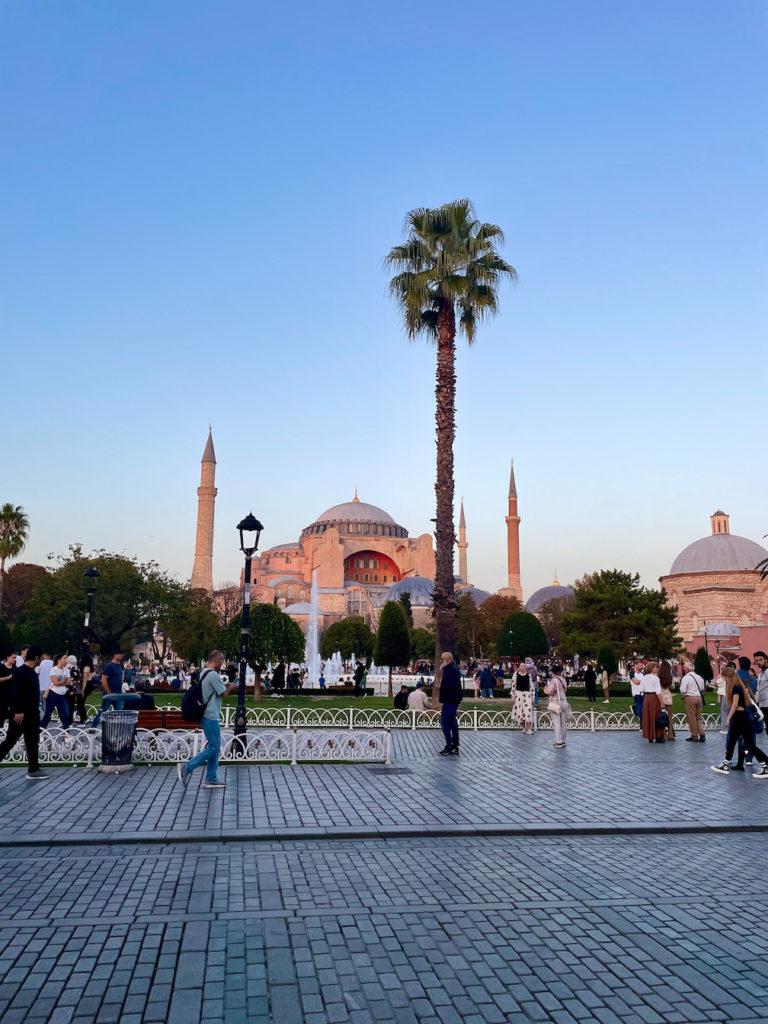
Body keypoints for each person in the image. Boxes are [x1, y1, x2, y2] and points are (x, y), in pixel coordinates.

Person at [178, 650, 239, 790]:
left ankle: (211, 778)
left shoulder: (203, 672)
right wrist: (232, 687)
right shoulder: (213, 675)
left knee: (214, 747)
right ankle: (187, 767)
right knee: (214, 747)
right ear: (216, 659)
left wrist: (227, 685)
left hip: (205, 713)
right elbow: (223, 694)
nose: (222, 663)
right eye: (221, 661)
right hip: (210, 714)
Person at [0, 645, 49, 779]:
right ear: (37, 658)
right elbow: (16, 692)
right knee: (10, 740)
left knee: (32, 741)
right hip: (20, 714)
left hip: (32, 713)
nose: (41, 661)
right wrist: (18, 711)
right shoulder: (20, 672)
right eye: (41, 658)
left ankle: (33, 769)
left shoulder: (32, 672)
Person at [711, 666, 768, 777]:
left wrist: (728, 718)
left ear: (728, 676)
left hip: (739, 718)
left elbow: (735, 704)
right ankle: (726, 763)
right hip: (741, 717)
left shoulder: (735, 687)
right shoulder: (738, 686)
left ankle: (765, 765)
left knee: (748, 744)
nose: (724, 680)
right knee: (736, 741)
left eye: (725, 678)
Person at [437, 652, 462, 756]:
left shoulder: (451, 670)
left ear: (447, 660)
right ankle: (454, 745)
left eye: (441, 659)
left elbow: (451, 685)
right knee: (451, 721)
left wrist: (440, 687)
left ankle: (450, 745)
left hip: (451, 700)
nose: (440, 661)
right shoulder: (450, 669)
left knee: (445, 720)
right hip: (450, 700)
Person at [41, 653, 71, 729]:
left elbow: (69, 682)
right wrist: (63, 682)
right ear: (59, 660)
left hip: (62, 695)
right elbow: (56, 683)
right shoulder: (53, 669)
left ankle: (66, 733)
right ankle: (41, 731)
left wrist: (61, 682)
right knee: (48, 714)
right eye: (64, 658)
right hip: (53, 694)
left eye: (66, 658)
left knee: (65, 715)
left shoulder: (66, 670)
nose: (66, 660)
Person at [680, 662, 706, 742]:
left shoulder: (686, 678)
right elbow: (702, 688)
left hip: (690, 698)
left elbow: (683, 690)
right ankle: (702, 734)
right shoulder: (699, 677)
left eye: (684, 667)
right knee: (698, 717)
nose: (684, 669)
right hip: (699, 698)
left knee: (691, 717)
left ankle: (694, 735)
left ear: (688, 669)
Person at [544, 663, 569, 748]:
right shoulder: (563, 680)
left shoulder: (554, 680)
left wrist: (545, 687)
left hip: (556, 703)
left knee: (557, 722)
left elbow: (549, 691)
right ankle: (563, 740)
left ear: (553, 672)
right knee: (563, 723)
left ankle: (558, 741)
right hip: (564, 702)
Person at [640, 662, 665, 743]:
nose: (657, 669)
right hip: (654, 698)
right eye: (655, 667)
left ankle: (649, 736)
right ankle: (658, 735)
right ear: (651, 669)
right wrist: (661, 702)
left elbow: (641, 689)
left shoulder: (644, 678)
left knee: (648, 716)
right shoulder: (656, 678)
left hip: (647, 698)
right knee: (656, 716)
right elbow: (658, 692)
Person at [511, 661, 534, 735]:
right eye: (522, 666)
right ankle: (523, 727)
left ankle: (529, 728)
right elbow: (513, 685)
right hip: (518, 695)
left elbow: (531, 686)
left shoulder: (529, 676)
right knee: (519, 712)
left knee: (527, 712)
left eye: (524, 666)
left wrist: (533, 696)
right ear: (519, 668)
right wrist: (513, 696)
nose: (523, 667)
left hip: (527, 695)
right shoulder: (516, 675)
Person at [65, 655, 87, 725]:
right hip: (77, 689)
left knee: (69, 705)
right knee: (75, 705)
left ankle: (69, 721)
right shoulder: (77, 669)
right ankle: (81, 719)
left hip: (69, 689)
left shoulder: (67, 668)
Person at [658, 660, 675, 740]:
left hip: (661, 697)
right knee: (669, 717)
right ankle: (671, 735)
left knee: (662, 716)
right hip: (668, 697)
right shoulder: (670, 676)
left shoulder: (658, 676)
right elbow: (673, 687)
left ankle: (663, 735)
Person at [0, 652, 15, 729]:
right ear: (8, 657)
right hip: (2, 693)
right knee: (2, 712)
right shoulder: (1, 667)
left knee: (12, 712)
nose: (14, 659)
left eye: (15, 658)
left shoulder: (15, 668)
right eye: (13, 657)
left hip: (12, 693)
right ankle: (1, 728)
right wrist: (8, 678)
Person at [754, 651, 768, 724]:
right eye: (756, 660)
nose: (759, 662)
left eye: (761, 660)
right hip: (763, 704)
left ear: (766, 660)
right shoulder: (761, 672)